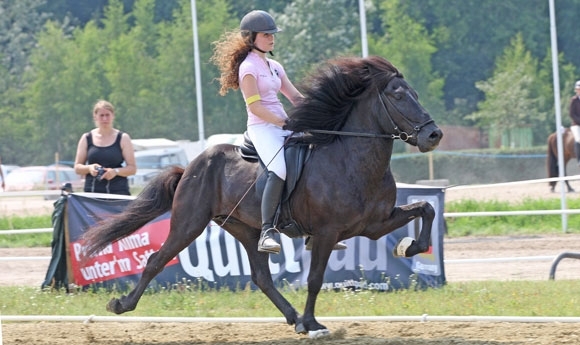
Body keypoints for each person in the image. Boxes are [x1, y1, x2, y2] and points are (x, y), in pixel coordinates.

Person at [211, 10, 346, 254]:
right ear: (251, 37)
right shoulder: (248, 68)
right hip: (263, 127)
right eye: (266, 35)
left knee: (313, 160)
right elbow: (255, 107)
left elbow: (294, 97)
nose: (272, 38)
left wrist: (321, 113)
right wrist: (284, 124)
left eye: (273, 34)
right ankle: (267, 231)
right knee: (279, 169)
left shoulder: (274, 66)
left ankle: (314, 231)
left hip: (283, 124)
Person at [74, 100, 136, 195]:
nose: (104, 119)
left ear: (113, 116)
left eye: (107, 115)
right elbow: (77, 168)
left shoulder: (123, 138)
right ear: (95, 117)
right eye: (101, 115)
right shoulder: (86, 138)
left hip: (118, 193)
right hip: (92, 193)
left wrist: (115, 171)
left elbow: (132, 168)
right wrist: (90, 168)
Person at [569, 80, 580, 165]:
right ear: (576, 90)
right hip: (576, 124)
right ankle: (579, 160)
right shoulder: (574, 100)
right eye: (578, 89)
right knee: (578, 139)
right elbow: (572, 114)